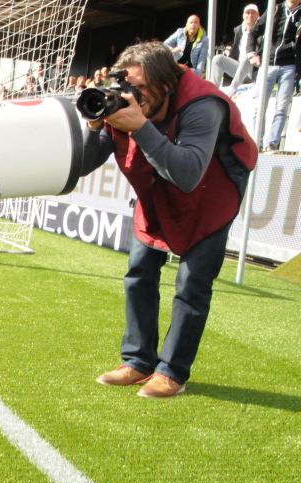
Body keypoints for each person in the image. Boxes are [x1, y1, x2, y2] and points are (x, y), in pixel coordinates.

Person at [82, 42, 257, 398]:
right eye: (126, 85)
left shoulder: (202, 105)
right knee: (139, 271)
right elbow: (87, 161)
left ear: (166, 84)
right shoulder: (125, 102)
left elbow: (189, 173)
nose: (131, 95)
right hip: (157, 186)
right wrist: (93, 124)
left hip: (212, 192)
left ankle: (173, 372)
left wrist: (141, 127)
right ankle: (138, 360)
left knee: (192, 284)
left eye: (141, 88)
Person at [245, 0, 301, 151]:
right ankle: (257, 142)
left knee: (282, 107)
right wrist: (251, 55)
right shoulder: (275, 9)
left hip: (289, 65)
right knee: (259, 106)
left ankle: (272, 144)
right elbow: (254, 31)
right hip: (268, 63)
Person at [211, 4, 260, 96]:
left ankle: (232, 88)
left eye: (253, 13)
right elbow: (237, 46)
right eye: (247, 13)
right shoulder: (238, 30)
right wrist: (229, 49)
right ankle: (213, 90)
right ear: (243, 16)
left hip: (254, 69)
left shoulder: (263, 29)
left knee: (249, 55)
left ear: (258, 15)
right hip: (239, 68)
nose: (250, 15)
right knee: (217, 59)